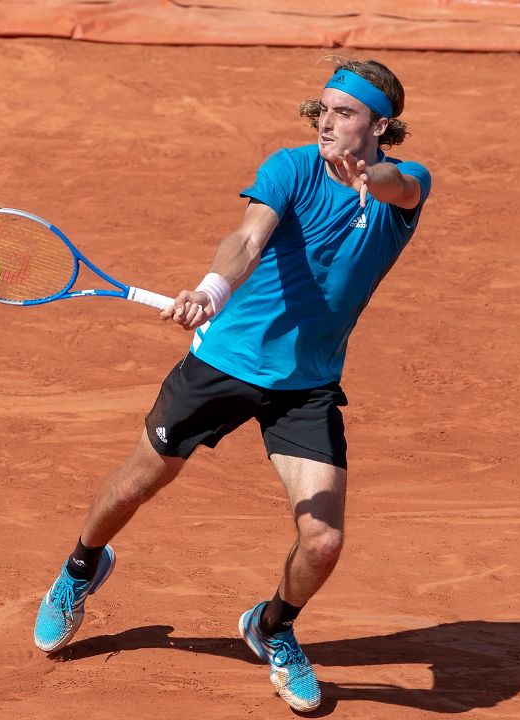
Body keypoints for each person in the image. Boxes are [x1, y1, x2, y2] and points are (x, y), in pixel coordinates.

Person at [32, 58, 432, 712]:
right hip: (225, 362)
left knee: (324, 540)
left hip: (307, 386)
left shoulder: (406, 183)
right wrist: (212, 290)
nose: (327, 122)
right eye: (324, 109)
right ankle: (81, 568)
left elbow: (398, 185)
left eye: (345, 113)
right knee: (136, 482)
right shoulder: (291, 167)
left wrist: (373, 177)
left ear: (380, 125)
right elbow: (247, 240)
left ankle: (272, 627)